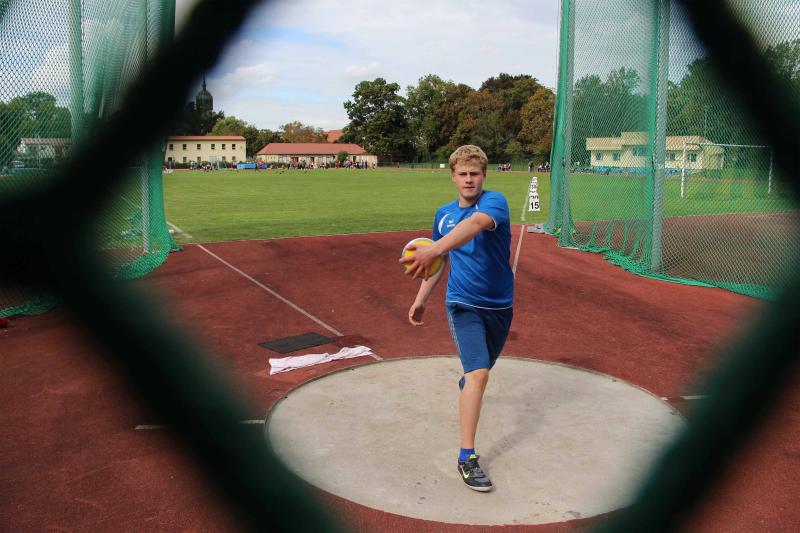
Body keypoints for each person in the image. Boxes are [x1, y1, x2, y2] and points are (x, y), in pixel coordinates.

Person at [399, 144, 514, 492]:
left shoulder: (494, 202)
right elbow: (439, 262)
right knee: (478, 374)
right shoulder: (444, 215)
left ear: (484, 175)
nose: (468, 179)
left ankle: (469, 387)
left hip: (500, 306)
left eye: (474, 173)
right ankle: (467, 457)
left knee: (478, 374)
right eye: (462, 174)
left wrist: (435, 248)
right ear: (452, 176)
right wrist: (421, 299)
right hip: (462, 303)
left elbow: (476, 225)